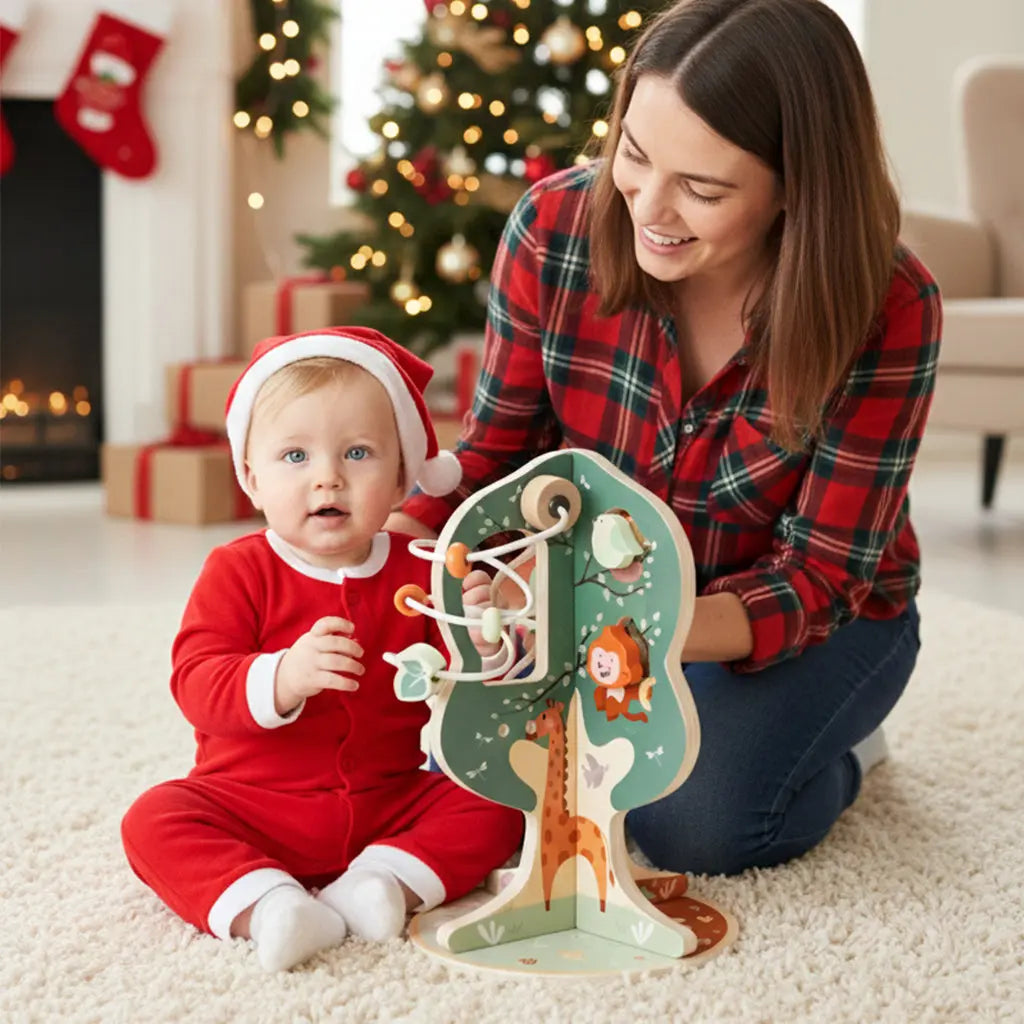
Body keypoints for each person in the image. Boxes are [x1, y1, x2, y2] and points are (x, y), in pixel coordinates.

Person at [387, 0, 941, 877]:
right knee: (466, 767)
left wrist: (614, 618)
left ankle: (840, 750)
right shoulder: (556, 230)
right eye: (634, 157)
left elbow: (823, 577)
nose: (648, 206)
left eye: (703, 188)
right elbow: (495, 457)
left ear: (797, 185)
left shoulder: (887, 305)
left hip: (816, 621)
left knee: (697, 824)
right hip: (606, 613)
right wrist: (385, 550)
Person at [121, 327, 523, 972]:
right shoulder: (237, 570)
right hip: (250, 805)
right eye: (295, 457)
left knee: (502, 796)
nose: (328, 478)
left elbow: (465, 685)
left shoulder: (420, 571)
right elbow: (195, 681)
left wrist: (481, 632)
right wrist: (281, 676)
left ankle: (382, 882)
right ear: (251, 478)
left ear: (401, 479)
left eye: (358, 453)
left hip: (389, 801)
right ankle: (269, 904)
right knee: (154, 819)